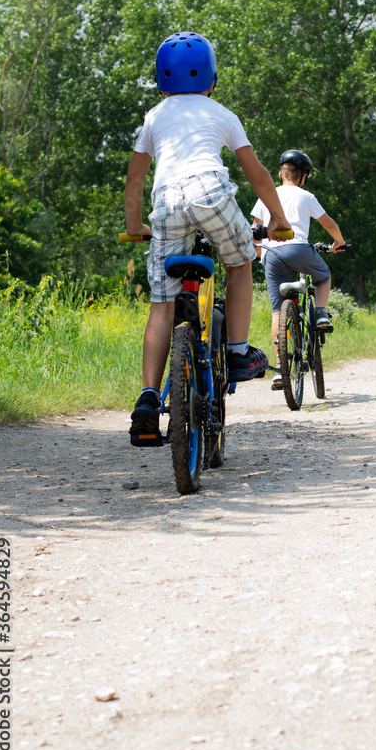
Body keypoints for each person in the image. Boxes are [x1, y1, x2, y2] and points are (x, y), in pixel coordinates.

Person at [124, 31, 291, 446]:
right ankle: (235, 351)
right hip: (210, 193)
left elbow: (135, 178)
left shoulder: (154, 116)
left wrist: (134, 227)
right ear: (212, 79)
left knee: (162, 305)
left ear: (162, 81)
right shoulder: (222, 113)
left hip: (165, 204)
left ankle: (147, 400)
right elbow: (258, 175)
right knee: (240, 262)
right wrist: (278, 218)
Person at [251, 149, 346, 390]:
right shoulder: (305, 196)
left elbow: (255, 230)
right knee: (323, 277)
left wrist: (260, 254)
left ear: (281, 174)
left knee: (276, 312)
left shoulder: (265, 196)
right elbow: (328, 222)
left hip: (272, 255)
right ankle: (322, 313)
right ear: (303, 176)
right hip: (298, 249)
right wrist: (338, 242)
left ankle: (281, 369)